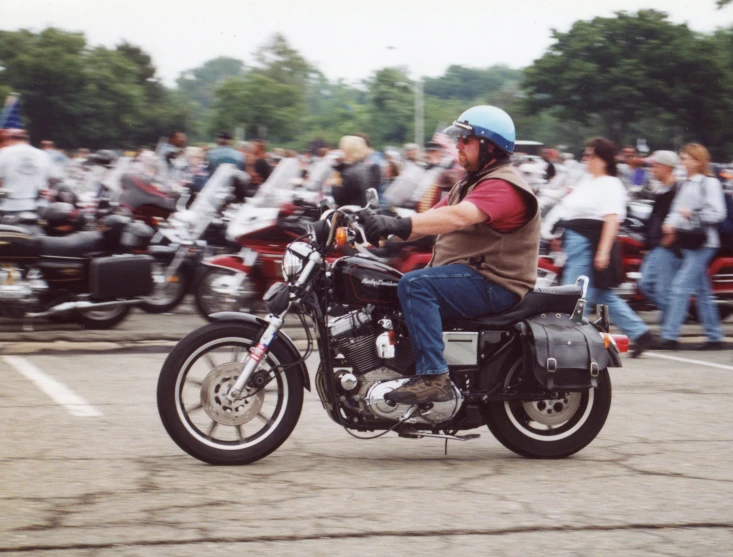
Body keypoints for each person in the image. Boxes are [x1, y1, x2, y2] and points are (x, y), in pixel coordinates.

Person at [360, 105, 540, 404]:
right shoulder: (470, 183)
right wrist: (384, 233)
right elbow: (430, 220)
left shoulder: (503, 186)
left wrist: (396, 225)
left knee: (416, 285)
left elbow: (457, 218)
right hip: (473, 275)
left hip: (496, 282)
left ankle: (434, 377)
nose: (457, 146)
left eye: (465, 140)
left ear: (489, 145)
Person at [556, 138, 652, 357]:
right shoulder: (589, 181)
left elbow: (612, 219)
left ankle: (568, 338)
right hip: (577, 238)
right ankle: (640, 332)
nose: (585, 159)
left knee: (575, 292)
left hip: (588, 241)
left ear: (601, 160)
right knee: (600, 294)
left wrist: (603, 251)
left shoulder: (610, 184)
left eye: (589, 155)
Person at [657, 143, 727, 350]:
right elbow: (676, 209)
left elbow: (718, 213)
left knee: (680, 287)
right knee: (702, 291)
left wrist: (692, 215)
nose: (683, 161)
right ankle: (714, 336)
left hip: (704, 243)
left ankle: (670, 336)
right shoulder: (685, 183)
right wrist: (670, 223)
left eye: (686, 158)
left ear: (698, 161)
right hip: (688, 241)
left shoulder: (709, 183)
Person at [637, 151, 682, 318]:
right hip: (657, 246)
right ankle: (674, 318)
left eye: (655, 165)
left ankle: (671, 327)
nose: (651, 169)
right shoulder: (662, 188)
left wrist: (668, 240)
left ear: (666, 167)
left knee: (660, 290)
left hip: (666, 248)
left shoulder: (677, 189)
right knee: (646, 285)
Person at [0, 129, 61, 213]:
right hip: (37, 206)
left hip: (8, 206)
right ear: (27, 140)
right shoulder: (43, 154)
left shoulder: (4, 153)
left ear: (8, 139)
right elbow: (55, 177)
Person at [331, 135, 371, 207]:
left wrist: (336, 181)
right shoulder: (363, 168)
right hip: (362, 210)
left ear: (347, 150)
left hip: (350, 213)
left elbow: (338, 199)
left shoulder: (349, 174)